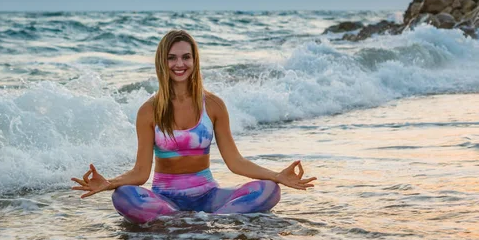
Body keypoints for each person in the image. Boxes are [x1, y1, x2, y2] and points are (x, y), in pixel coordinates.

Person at [71, 30, 316, 224]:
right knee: (123, 196)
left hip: (209, 197)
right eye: (172, 57)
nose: (180, 64)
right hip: (163, 199)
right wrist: (109, 183)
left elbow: (235, 161)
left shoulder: (213, 105)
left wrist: (277, 176)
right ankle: (190, 222)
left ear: (194, 60)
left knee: (268, 190)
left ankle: (199, 221)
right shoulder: (149, 111)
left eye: (186, 57)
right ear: (162, 61)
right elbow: (141, 173)